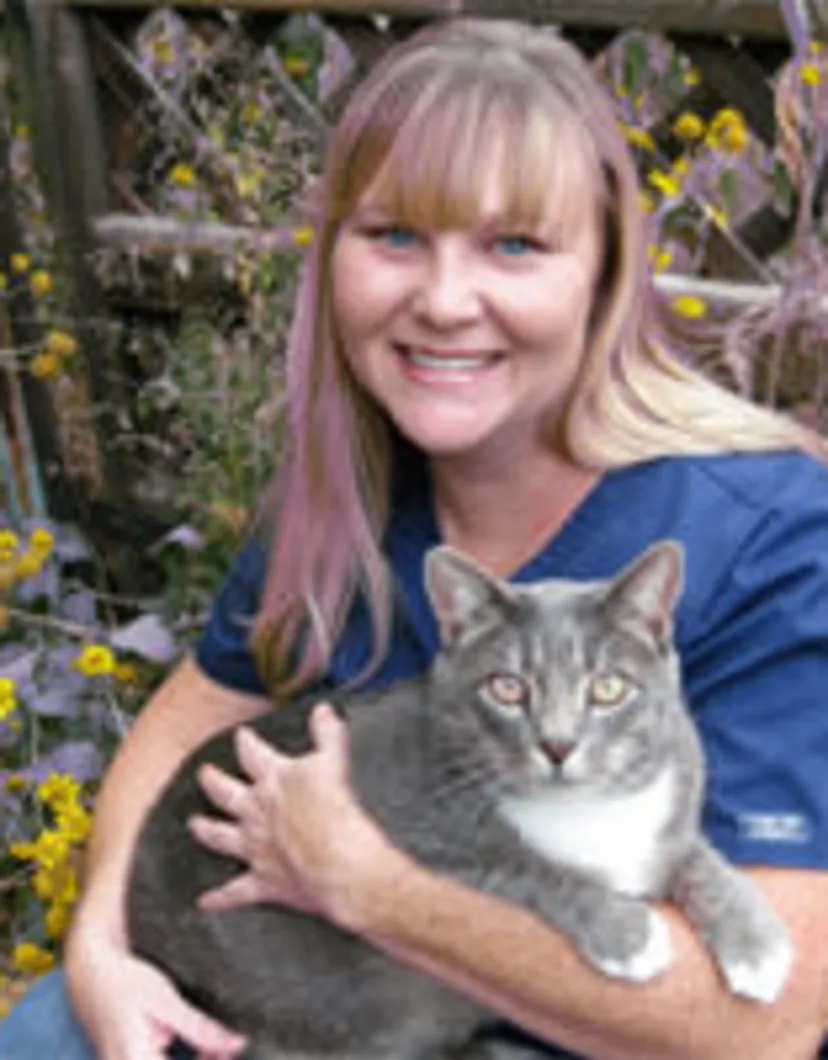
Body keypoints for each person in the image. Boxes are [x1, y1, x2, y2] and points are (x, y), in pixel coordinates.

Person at [3, 16, 828, 1059]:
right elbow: (181, 722)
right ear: (331, 257)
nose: (443, 302)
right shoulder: (356, 493)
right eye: (394, 235)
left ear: (605, 269)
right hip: (330, 997)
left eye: (514, 245)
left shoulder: (768, 538)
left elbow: (770, 1024)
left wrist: (369, 887)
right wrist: (98, 946)